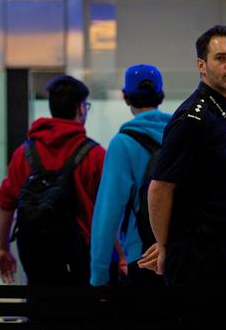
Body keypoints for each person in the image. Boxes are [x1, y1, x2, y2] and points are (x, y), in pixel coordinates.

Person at [137, 25, 226, 322]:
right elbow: (160, 187)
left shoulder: (225, 111)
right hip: (202, 259)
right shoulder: (194, 118)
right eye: (221, 58)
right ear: (201, 66)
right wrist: (165, 247)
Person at [0, 75, 105, 286]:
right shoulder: (95, 155)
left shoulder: (23, 153)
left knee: (40, 309)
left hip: (33, 252)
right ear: (81, 108)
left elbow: (6, 203)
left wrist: (3, 248)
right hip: (79, 254)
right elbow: (106, 210)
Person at [89, 64, 170, 287]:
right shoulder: (180, 135)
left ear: (126, 97)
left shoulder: (122, 143)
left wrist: (99, 275)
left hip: (142, 256)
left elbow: (108, 212)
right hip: (180, 257)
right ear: (161, 95)